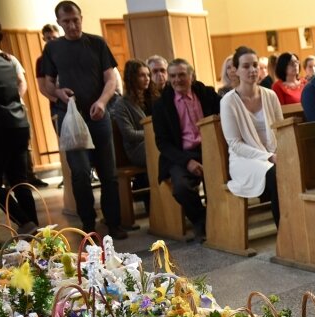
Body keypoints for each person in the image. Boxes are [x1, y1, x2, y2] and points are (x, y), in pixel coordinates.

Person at [41, 0, 126, 239]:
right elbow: (47, 83)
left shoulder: (97, 43)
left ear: (81, 18)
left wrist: (102, 101)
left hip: (98, 116)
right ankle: (88, 224)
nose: (72, 25)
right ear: (59, 22)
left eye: (75, 20)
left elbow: (110, 79)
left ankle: (114, 223)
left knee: (108, 172)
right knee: (79, 173)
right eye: (66, 21)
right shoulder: (53, 49)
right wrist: (58, 93)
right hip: (71, 120)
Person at [151, 58, 220, 243]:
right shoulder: (161, 105)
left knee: (225, 178)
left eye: (181, 75)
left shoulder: (206, 94)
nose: (177, 80)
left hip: (211, 149)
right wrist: (186, 162)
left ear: (191, 76)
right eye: (172, 76)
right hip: (180, 154)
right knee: (181, 188)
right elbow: (163, 143)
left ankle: (224, 219)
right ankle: (201, 220)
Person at [219, 46, 281, 226]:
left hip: (273, 153)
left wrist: (282, 154)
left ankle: (301, 225)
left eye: (255, 65)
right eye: (246, 66)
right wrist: (269, 156)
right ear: (236, 70)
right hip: (244, 160)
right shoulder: (228, 101)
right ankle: (284, 232)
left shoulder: (270, 95)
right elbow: (235, 144)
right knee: (276, 174)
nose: (252, 70)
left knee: (293, 169)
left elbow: (281, 129)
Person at [0, 17, 39, 234]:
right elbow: (22, 83)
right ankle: (39, 233)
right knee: (20, 180)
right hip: (19, 124)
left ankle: (25, 222)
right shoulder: (10, 59)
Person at [112, 59, 154, 167]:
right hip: (137, 148)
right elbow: (129, 134)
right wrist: (154, 133)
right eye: (142, 75)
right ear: (132, 78)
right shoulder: (122, 104)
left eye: (148, 75)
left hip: (155, 142)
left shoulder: (152, 98)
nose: (147, 79)